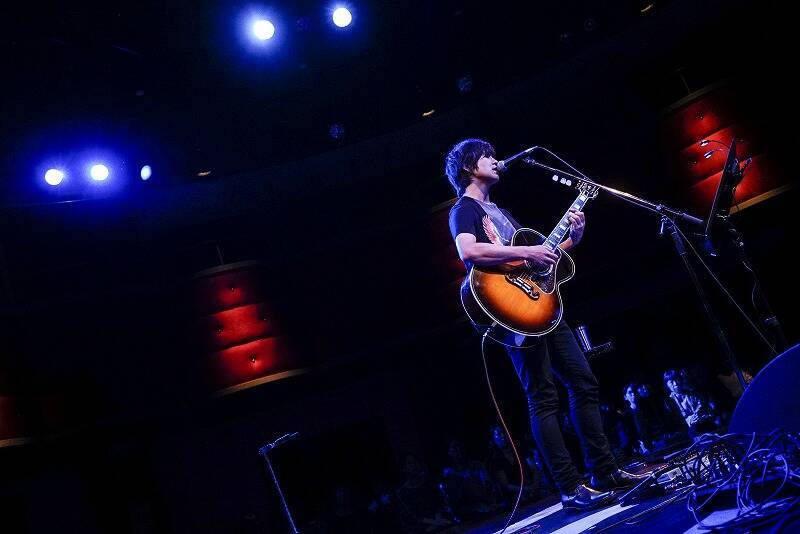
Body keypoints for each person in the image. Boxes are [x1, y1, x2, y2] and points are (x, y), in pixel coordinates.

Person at [445, 138, 647, 512]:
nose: (495, 159)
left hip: (544, 304)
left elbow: (540, 261)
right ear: (468, 168)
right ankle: (571, 487)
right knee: (542, 396)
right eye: (486, 155)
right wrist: (527, 251)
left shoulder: (502, 213)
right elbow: (468, 251)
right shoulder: (464, 209)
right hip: (511, 312)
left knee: (584, 381)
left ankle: (604, 471)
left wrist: (572, 238)